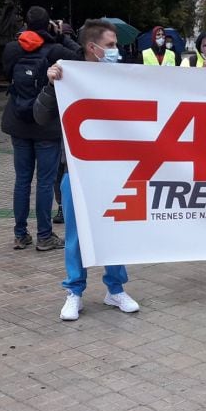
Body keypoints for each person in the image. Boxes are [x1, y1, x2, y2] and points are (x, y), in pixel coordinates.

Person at [34, 20, 138, 321]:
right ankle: (74, 292)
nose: (116, 50)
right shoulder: (69, 75)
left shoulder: (124, 78)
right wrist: (51, 85)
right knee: (76, 236)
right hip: (78, 171)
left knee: (115, 232)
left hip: (116, 170)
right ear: (92, 48)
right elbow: (40, 117)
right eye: (110, 45)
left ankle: (115, 289)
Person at [2, 6, 80, 251]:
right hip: (46, 124)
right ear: (49, 25)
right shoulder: (55, 50)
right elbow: (80, 58)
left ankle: (20, 234)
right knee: (45, 182)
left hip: (18, 121)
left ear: (25, 23)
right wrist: (61, 35)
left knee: (22, 180)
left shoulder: (12, 49)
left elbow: (6, 75)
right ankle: (44, 236)